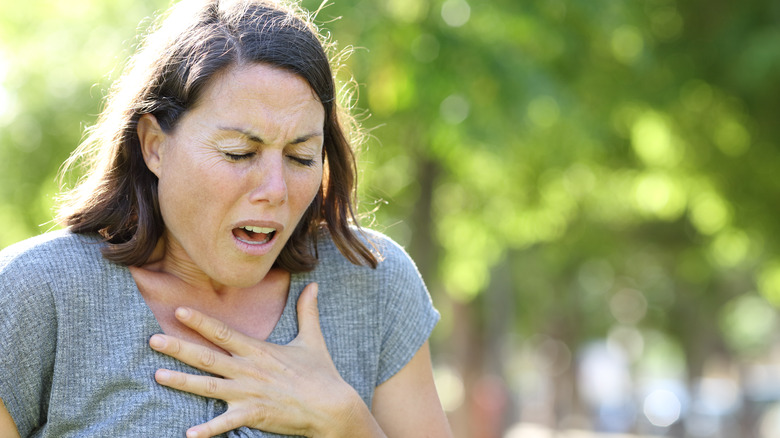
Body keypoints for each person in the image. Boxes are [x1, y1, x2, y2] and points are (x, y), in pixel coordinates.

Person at [0, 0, 452, 436]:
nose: (275, 189)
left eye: (300, 157)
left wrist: (343, 421)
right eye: (240, 153)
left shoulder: (373, 283)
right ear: (155, 145)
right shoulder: (37, 294)